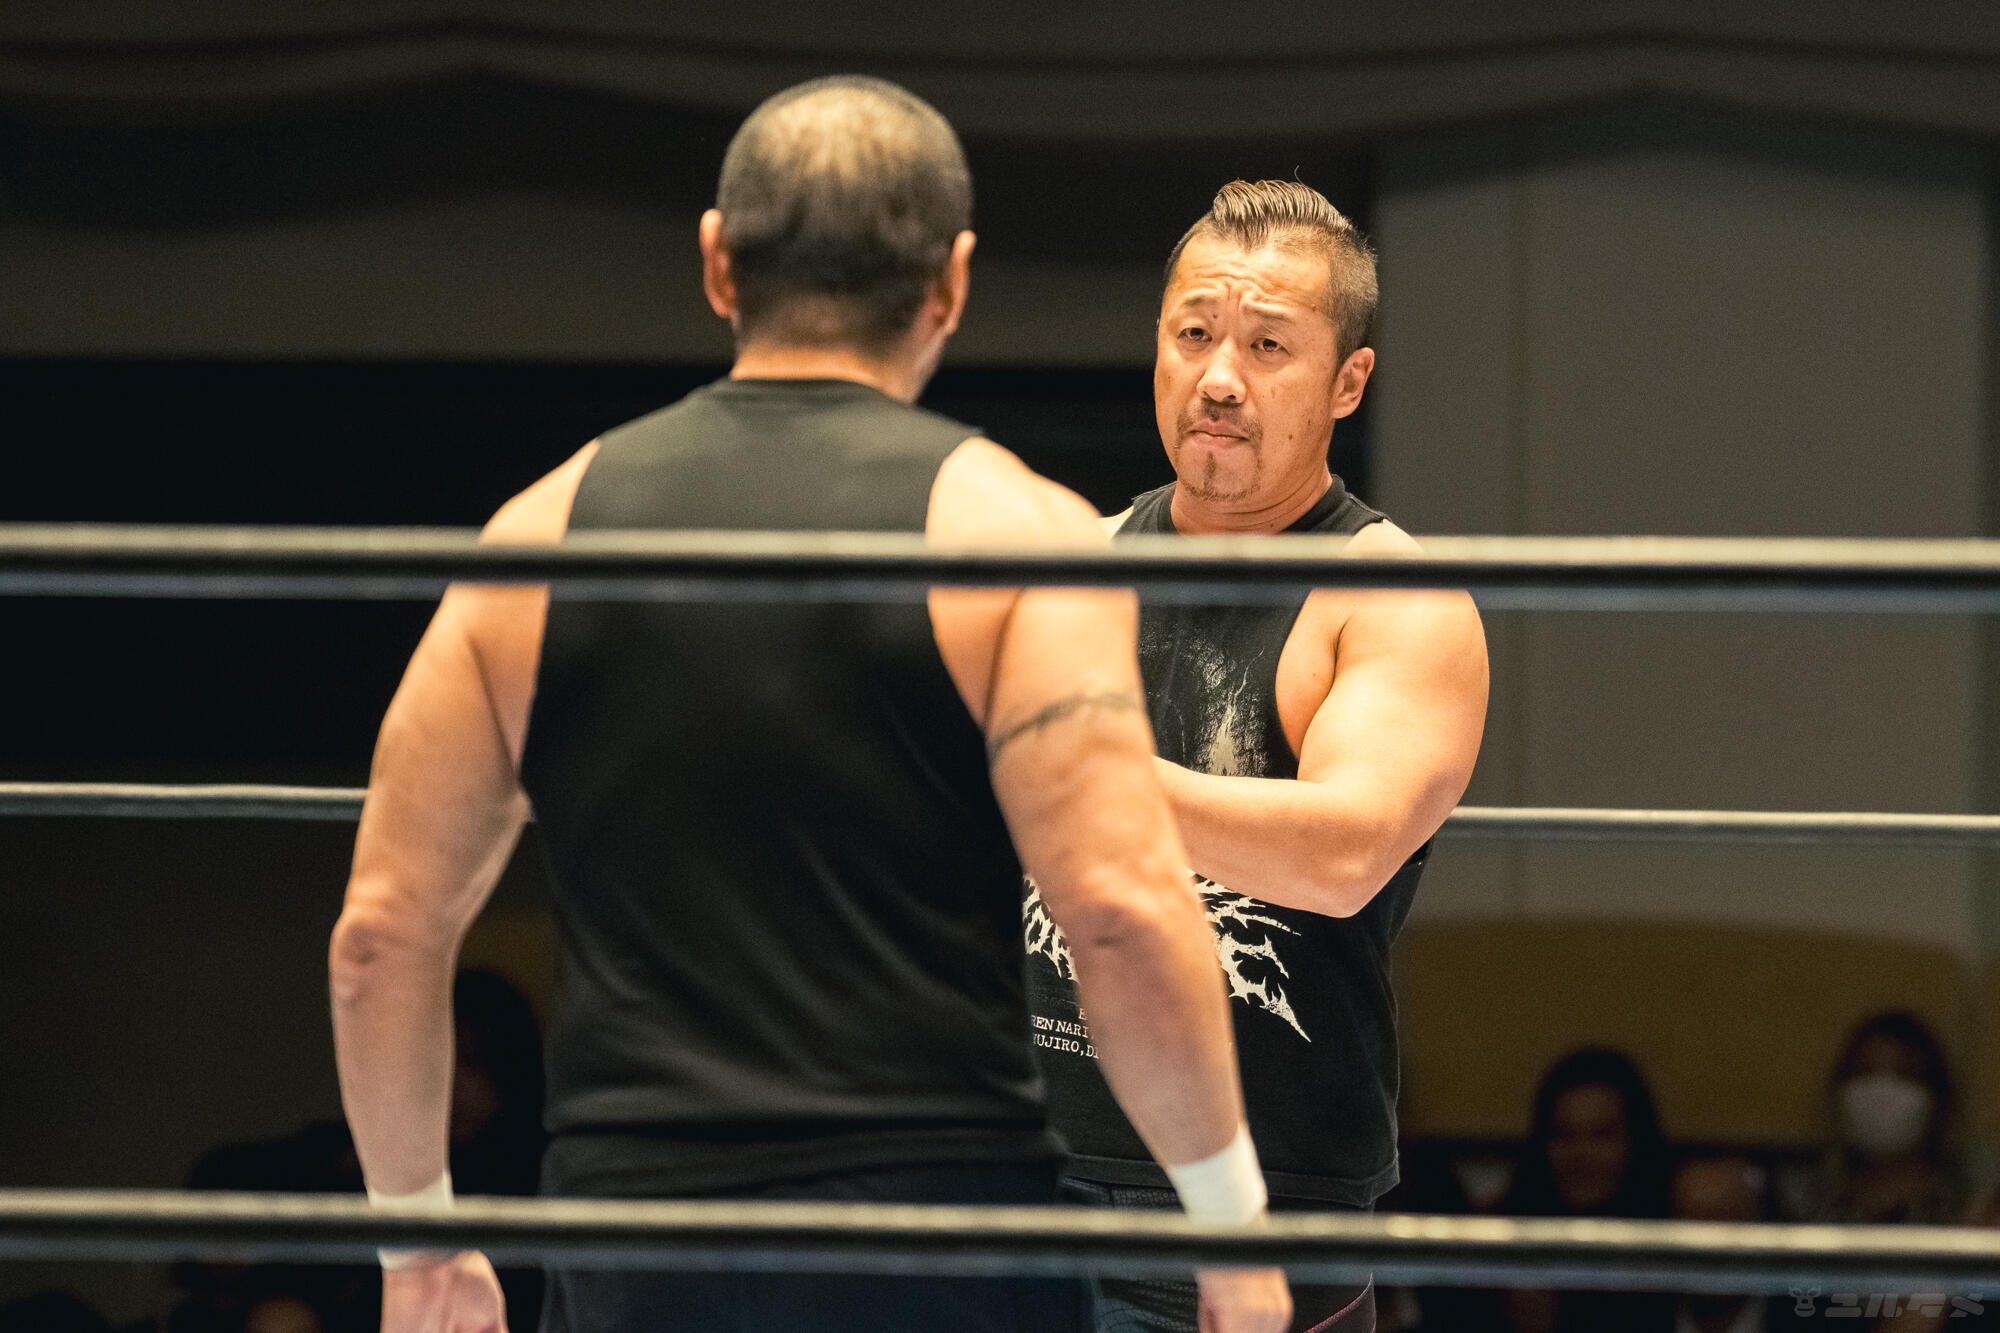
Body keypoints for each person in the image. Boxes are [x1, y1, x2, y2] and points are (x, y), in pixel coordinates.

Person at [328, 76, 1289, 1333]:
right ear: (951, 282)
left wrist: (417, 1245)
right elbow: (1116, 907)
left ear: (717, 264)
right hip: (937, 1233)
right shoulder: (1015, 534)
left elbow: (382, 934)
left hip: (637, 1236)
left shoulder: (540, 536)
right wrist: (1230, 1230)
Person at [1021, 179, 1489, 1333]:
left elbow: (1343, 853)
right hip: (1021, 1165)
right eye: (1193, 335)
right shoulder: (1068, 562)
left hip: (1262, 1195)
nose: (1218, 377)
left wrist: (1072, 769)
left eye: (1266, 345)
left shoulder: (1387, 599)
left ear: (1347, 382)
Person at [1492, 1048, 1674, 1333]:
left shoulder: (1674, 1243)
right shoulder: (1501, 1244)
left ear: (1636, 1142)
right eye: (1564, 1135)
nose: (1581, 1154)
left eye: (1602, 1135)